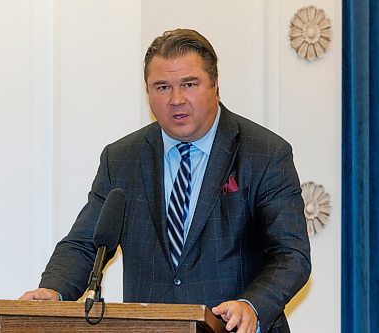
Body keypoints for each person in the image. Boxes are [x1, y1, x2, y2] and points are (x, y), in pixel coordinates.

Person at [19, 29, 311, 333]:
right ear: (147, 91)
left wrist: (252, 305)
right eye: (162, 87)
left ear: (215, 85)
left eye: (189, 84)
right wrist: (53, 290)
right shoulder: (121, 158)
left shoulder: (264, 153)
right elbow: (85, 244)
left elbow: (291, 256)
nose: (175, 99)